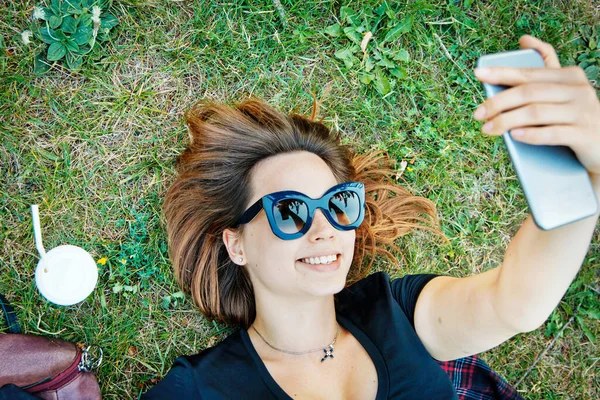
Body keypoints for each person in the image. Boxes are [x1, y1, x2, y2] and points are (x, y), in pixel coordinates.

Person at [142, 35, 600, 399]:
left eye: (338, 205)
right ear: (236, 244)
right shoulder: (199, 389)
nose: (325, 230)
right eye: (289, 210)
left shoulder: (397, 313)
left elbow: (518, 303)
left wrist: (591, 169)